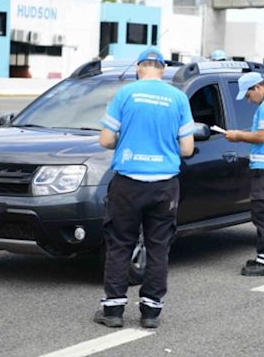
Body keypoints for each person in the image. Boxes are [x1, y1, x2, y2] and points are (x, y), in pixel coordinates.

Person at [95, 47, 195, 328]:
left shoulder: (124, 95)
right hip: (164, 185)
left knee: (120, 245)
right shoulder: (178, 98)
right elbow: (187, 149)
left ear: (139, 67)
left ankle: (113, 311)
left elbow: (105, 140)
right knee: (158, 247)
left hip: (127, 184)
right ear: (163, 70)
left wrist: (125, 142)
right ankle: (150, 312)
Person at [225, 72, 264, 276]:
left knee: (263, 213)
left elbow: (262, 136)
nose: (248, 100)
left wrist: (237, 136)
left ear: (258, 88)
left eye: (248, 95)